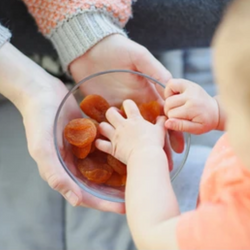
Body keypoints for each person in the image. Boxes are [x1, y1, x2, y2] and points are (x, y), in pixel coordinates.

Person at [95, 0, 250, 248]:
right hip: (220, 174)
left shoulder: (237, 226)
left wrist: (143, 153)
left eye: (234, 107)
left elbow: (154, 234)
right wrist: (217, 110)